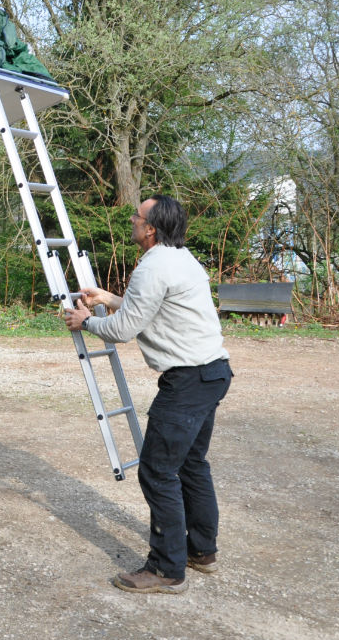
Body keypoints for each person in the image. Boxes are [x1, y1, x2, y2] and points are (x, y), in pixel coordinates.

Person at [61, 194, 233, 594]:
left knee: (157, 470)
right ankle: (201, 551)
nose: (132, 221)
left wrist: (86, 321)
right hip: (212, 373)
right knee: (191, 465)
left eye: (136, 217)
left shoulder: (153, 267)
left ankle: (166, 570)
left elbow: (123, 329)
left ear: (151, 228)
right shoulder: (181, 258)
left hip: (188, 381)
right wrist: (107, 299)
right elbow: (148, 308)